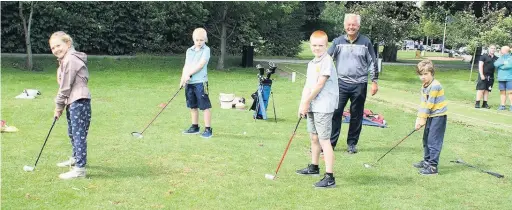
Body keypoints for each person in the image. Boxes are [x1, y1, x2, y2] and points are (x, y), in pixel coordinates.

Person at [327, 14, 379, 154]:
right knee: (336, 113)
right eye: (348, 24)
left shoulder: (365, 42)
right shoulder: (338, 41)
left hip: (360, 84)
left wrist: (374, 81)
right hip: (341, 84)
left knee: (356, 115)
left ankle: (352, 144)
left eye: (354, 25)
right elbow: (327, 59)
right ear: (345, 26)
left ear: (358, 26)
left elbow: (372, 63)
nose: (351, 27)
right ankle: (331, 144)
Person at [296, 30, 339, 188]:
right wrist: (303, 104)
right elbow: (308, 85)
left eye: (321, 45)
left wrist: (307, 102)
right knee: (314, 137)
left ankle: (329, 177)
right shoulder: (312, 63)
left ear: (326, 46)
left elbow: (320, 84)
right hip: (313, 105)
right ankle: (314, 167)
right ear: (310, 45)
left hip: (324, 105)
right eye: (314, 45)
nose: (317, 48)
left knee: (324, 140)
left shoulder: (327, 61)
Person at [50, 31, 92, 180]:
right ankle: (75, 158)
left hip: (78, 101)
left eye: (58, 45)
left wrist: (58, 106)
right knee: (72, 132)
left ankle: (80, 169)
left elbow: (65, 87)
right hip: (73, 101)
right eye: (53, 48)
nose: (56, 50)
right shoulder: (65, 60)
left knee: (78, 135)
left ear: (67, 44)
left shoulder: (70, 60)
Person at [413, 59, 447, 175]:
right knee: (426, 139)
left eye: (426, 74)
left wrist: (422, 119)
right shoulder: (424, 86)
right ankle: (427, 161)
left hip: (438, 116)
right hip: (430, 115)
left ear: (432, 73)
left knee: (433, 141)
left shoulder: (435, 86)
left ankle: (433, 167)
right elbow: (423, 104)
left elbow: (430, 104)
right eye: (421, 75)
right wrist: (419, 119)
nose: (423, 77)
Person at [180, 28, 213, 138]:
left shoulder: (206, 50)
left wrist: (189, 73)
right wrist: (183, 78)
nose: (199, 42)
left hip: (200, 82)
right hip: (190, 83)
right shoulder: (189, 50)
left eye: (201, 40)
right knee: (192, 106)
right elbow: (186, 65)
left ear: (205, 40)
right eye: (197, 40)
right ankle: (195, 127)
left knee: (204, 106)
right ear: (193, 39)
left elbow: (201, 65)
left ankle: (208, 129)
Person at [494, 45, 512, 111]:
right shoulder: (501, 57)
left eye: (501, 49)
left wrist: (501, 66)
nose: (500, 50)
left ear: (505, 50)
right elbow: (495, 64)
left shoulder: (511, 57)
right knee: (502, 91)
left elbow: (509, 66)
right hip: (501, 77)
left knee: (510, 92)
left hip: (509, 78)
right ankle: (502, 105)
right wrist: (503, 63)